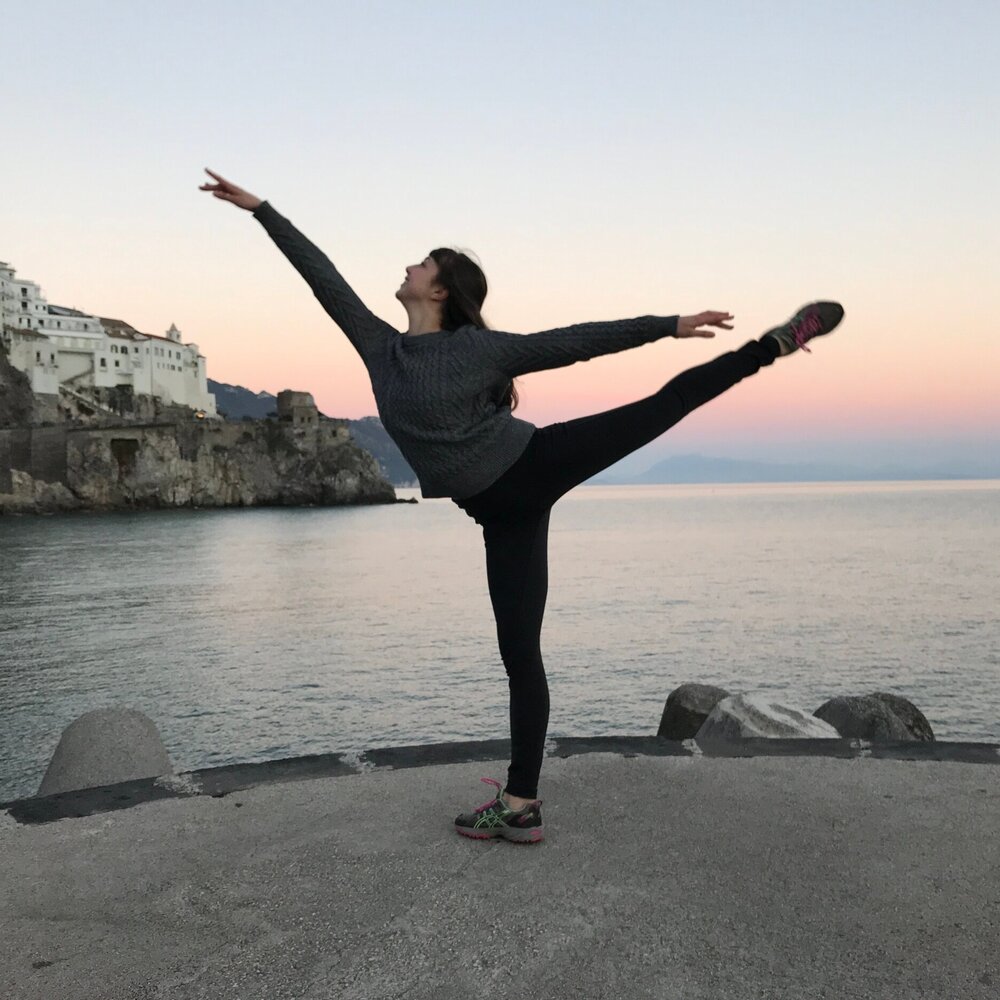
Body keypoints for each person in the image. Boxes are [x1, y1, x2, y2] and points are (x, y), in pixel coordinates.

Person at [200, 168, 844, 845]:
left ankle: (774, 344)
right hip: (499, 514)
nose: (408, 266)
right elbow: (320, 276)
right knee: (520, 657)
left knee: (664, 404)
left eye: (421, 263)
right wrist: (260, 209)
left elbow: (571, 341)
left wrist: (670, 325)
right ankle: (521, 803)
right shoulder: (379, 347)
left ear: (440, 288)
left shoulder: (476, 348)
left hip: (536, 462)